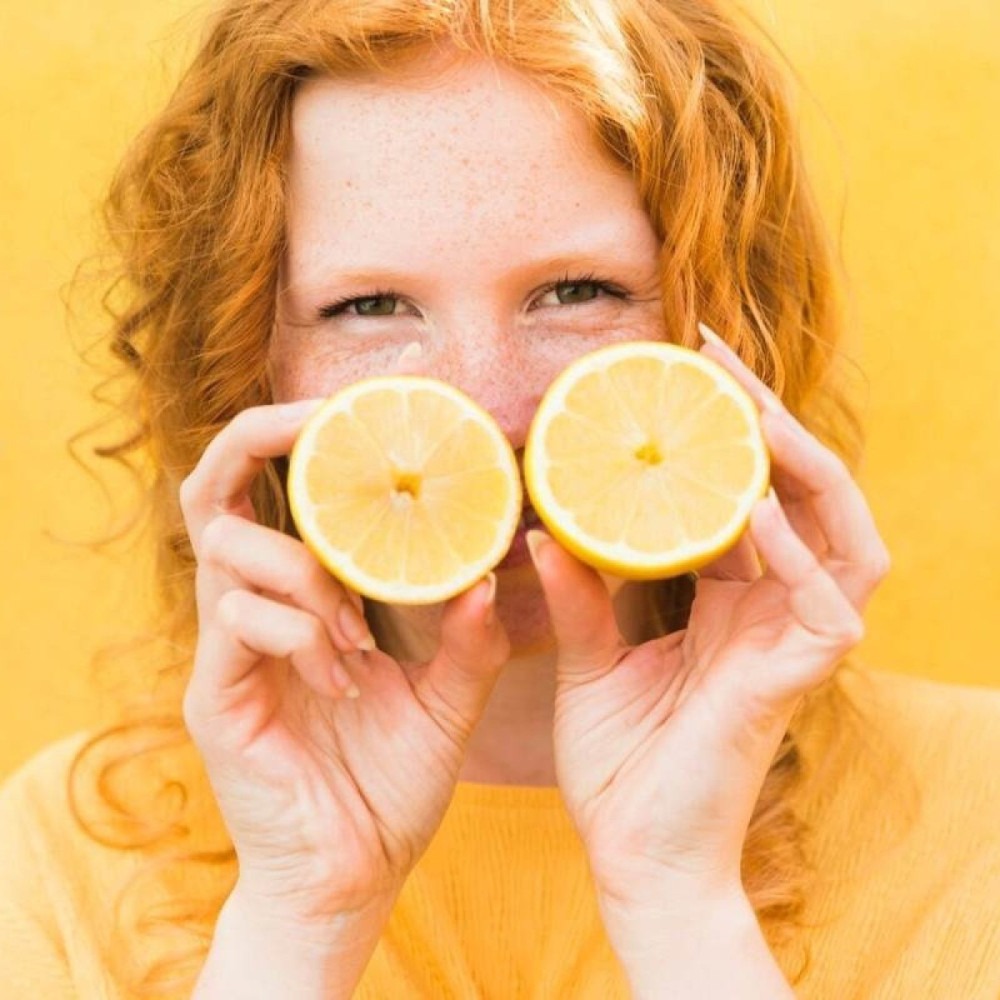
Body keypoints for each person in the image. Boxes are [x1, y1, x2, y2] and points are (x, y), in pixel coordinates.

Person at [2, 0, 999, 997]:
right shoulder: (60, 866)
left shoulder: (976, 814)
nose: (489, 408)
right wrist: (299, 919)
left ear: (733, 319)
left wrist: (680, 906)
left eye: (578, 291)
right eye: (368, 307)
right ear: (245, 364)